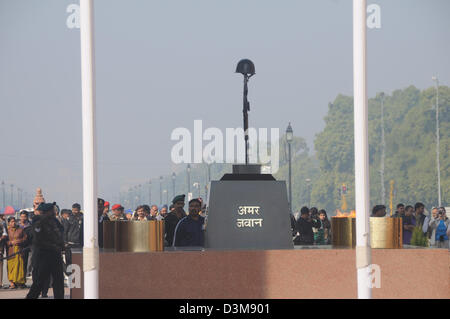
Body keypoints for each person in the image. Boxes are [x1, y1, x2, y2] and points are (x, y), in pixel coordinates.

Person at [26, 202, 65, 299]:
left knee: (59, 281)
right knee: (39, 281)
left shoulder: (54, 221)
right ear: (46, 212)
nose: (53, 212)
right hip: (43, 256)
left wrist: (60, 245)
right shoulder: (38, 222)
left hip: (55, 255)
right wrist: (53, 245)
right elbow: (38, 239)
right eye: (51, 210)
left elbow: (61, 231)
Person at [6, 216, 27, 289]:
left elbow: (25, 238)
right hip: (11, 251)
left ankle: (20, 282)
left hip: (19, 250)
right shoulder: (7, 231)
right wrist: (10, 242)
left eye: (14, 221)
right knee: (11, 267)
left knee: (19, 267)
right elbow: (5, 241)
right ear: (8, 223)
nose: (13, 223)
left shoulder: (20, 230)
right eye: (11, 221)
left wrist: (18, 241)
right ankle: (12, 283)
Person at [18, 211, 32, 279]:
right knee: (19, 263)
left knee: (26, 263)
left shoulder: (30, 225)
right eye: (22, 217)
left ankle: (23, 279)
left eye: (24, 217)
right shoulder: (17, 225)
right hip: (18, 246)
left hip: (27, 246)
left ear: (27, 217)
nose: (23, 218)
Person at [0, 214, 7, 288]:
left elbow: (5, 234)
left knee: (0, 266)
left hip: (0, 248)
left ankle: (0, 282)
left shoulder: (1, 224)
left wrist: (1, 238)